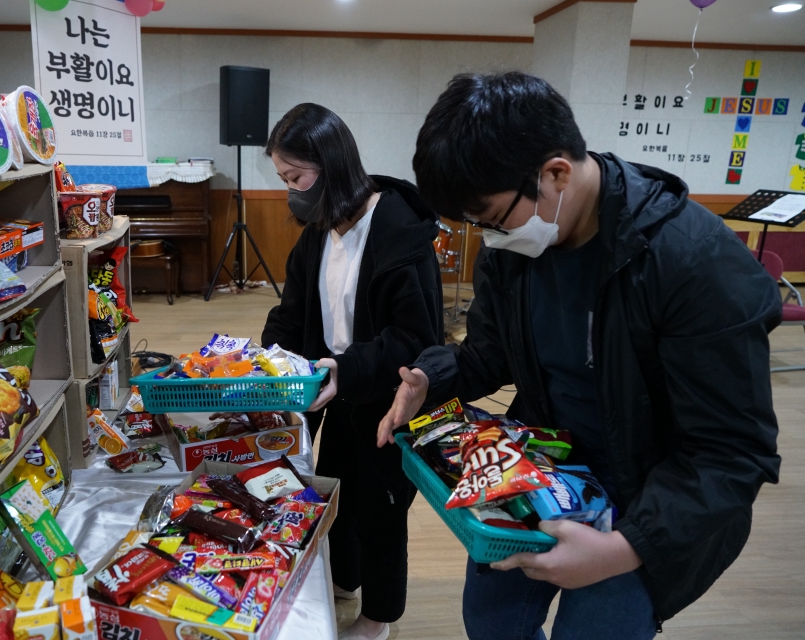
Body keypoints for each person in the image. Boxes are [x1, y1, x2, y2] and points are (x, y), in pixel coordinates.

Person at [376, 72, 782, 640]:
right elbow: (490, 352)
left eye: (490, 217)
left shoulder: (693, 264)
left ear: (556, 174)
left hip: (650, 495)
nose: (488, 236)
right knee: (491, 621)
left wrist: (623, 549)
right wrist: (429, 377)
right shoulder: (517, 242)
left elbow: (733, 453)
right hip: (545, 464)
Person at [262, 103, 445, 640]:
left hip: (388, 399)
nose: (291, 191)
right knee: (336, 492)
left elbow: (415, 340)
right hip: (334, 390)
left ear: (332, 164)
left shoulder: (399, 233)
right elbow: (293, 313)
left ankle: (378, 617)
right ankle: (345, 579)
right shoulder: (318, 233)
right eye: (283, 179)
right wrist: (267, 361)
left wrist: (348, 368)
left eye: (296, 177)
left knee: (382, 510)